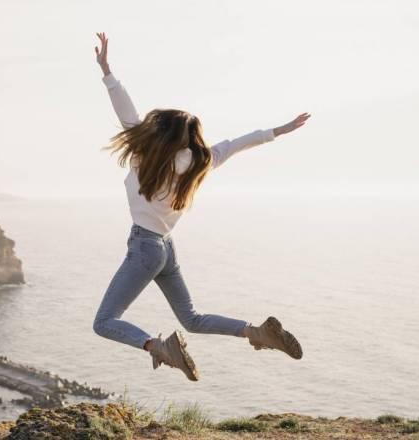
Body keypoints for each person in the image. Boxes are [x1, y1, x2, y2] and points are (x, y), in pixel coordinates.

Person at [91, 32, 310, 381]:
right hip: (165, 248)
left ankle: (158, 347)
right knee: (191, 319)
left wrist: (107, 71)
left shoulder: (143, 154)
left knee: (103, 322)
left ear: (158, 132)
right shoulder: (200, 162)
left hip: (146, 246)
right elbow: (237, 143)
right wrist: (277, 131)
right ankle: (258, 333)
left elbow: (125, 110)